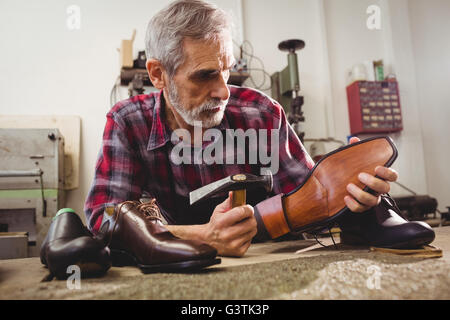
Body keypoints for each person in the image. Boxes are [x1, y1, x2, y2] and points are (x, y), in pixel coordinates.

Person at [84, 0, 398, 257]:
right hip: (167, 267)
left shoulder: (262, 115)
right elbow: (104, 220)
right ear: (158, 74)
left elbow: (313, 202)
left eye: (226, 71)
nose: (224, 91)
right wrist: (203, 235)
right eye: (205, 75)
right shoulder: (127, 122)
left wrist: (353, 198)